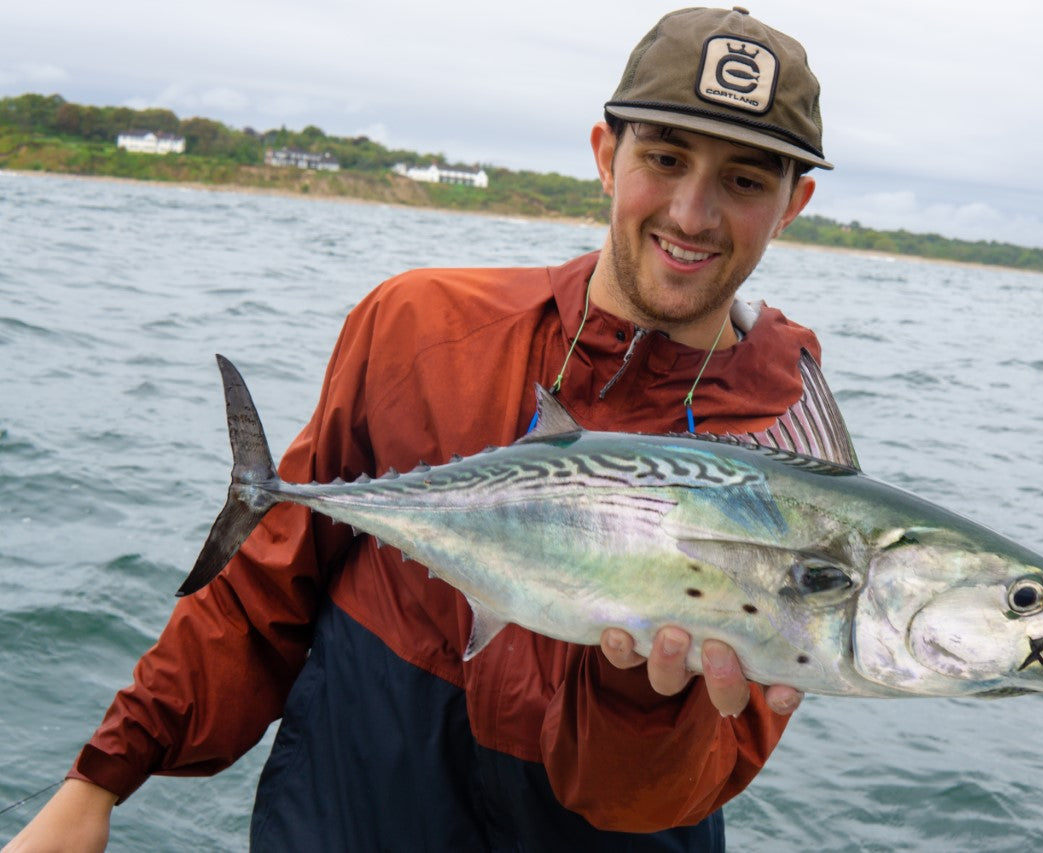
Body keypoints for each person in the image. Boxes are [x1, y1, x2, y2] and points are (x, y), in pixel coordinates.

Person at [5, 6, 834, 851]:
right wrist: (101, 777)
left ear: (792, 203)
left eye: (745, 180)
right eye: (664, 158)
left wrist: (640, 700)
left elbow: (670, 791)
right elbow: (266, 583)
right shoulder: (422, 325)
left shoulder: (789, 459)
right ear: (604, 155)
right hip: (347, 809)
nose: (693, 215)